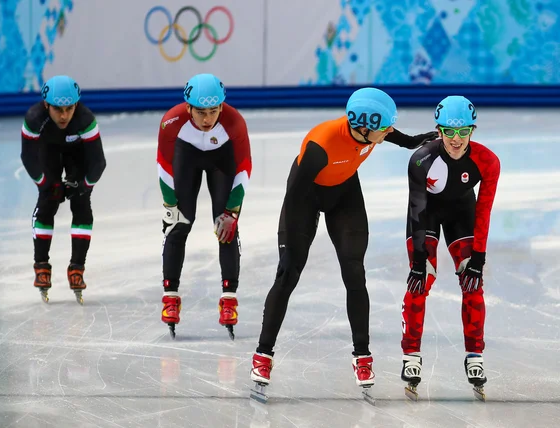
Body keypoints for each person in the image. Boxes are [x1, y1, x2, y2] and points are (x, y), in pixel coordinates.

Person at [250, 87, 438, 392]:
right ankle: (263, 353)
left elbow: (393, 136)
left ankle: (362, 355)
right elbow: (295, 197)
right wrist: (293, 242)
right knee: (288, 273)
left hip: (344, 194)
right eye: (384, 127)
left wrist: (416, 141)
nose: (389, 130)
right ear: (363, 127)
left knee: (354, 273)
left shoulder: (370, 130)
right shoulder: (320, 144)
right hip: (305, 196)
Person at [401, 96, 500, 397]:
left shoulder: (488, 161)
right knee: (421, 279)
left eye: (463, 132)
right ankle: (411, 355)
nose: (456, 140)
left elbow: (483, 210)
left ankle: (475, 355)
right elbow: (417, 209)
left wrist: (479, 258)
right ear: (438, 130)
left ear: (473, 130)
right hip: (426, 214)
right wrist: (419, 259)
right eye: (449, 132)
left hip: (462, 213)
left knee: (473, 282)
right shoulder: (421, 160)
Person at [156, 73, 252, 339]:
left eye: (213, 111)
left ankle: (229, 298)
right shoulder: (172, 121)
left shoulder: (234, 122)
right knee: (178, 225)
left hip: (223, 162)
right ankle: (170, 296)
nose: (208, 119)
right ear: (188, 108)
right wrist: (169, 202)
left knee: (226, 228)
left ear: (222, 107)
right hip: (185, 158)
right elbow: (164, 164)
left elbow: (243, 167)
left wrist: (232, 211)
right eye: (200, 112)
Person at [20, 75, 107, 304]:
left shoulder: (85, 119)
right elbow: (28, 157)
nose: (64, 115)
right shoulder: (34, 117)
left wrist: (83, 187)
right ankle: (41, 265)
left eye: (69, 109)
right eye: (58, 109)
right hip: (47, 151)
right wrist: (46, 184)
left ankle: (77, 268)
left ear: (76, 105)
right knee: (47, 201)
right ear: (46, 105)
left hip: (77, 154)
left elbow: (98, 163)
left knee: (82, 203)